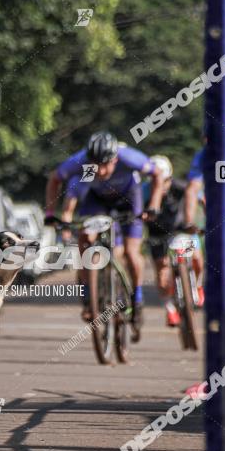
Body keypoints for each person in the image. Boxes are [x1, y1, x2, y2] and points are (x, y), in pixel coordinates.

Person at [44, 131, 166, 341]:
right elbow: (55, 179)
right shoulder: (81, 162)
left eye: (105, 164)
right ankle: (88, 297)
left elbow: (158, 175)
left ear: (115, 159)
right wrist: (50, 214)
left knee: (130, 251)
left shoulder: (129, 157)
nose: (100, 170)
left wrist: (153, 206)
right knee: (85, 238)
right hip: (97, 200)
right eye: (95, 164)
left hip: (129, 197)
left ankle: (136, 296)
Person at [144, 155, 192, 326]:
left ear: (169, 178)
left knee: (195, 255)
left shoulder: (181, 187)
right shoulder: (143, 191)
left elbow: (197, 196)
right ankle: (170, 309)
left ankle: (194, 284)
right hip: (156, 235)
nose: (159, 186)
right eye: (154, 181)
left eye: (163, 181)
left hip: (179, 231)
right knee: (162, 272)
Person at [183, 146, 206, 307]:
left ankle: (197, 285)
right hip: (187, 228)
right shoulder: (201, 156)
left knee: (198, 261)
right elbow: (193, 192)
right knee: (196, 258)